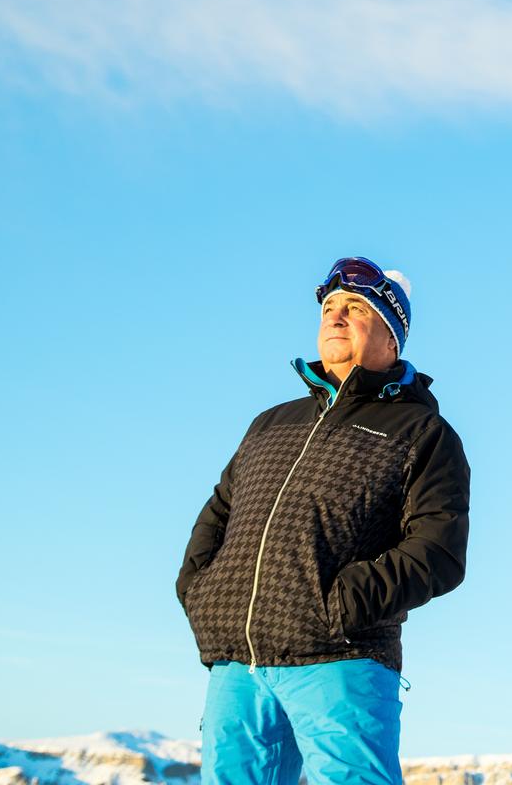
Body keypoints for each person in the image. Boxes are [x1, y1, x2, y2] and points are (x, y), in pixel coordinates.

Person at [176, 256, 470, 784]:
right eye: (329, 307)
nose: (335, 317)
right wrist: (203, 591)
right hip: (239, 667)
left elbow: (438, 551)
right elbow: (217, 515)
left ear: (391, 340)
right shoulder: (271, 423)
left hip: (341, 661)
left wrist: (338, 605)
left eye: (356, 308)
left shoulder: (423, 432)